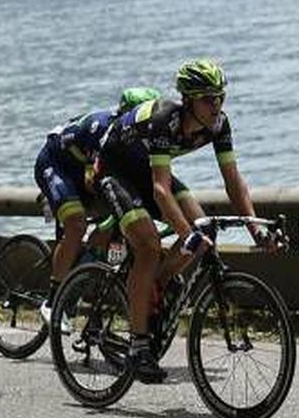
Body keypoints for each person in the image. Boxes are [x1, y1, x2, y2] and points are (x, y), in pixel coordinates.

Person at [93, 59, 269, 383]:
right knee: (148, 245)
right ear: (188, 100)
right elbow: (161, 190)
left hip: (147, 171)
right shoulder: (164, 119)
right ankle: (138, 346)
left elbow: (233, 181)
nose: (216, 105)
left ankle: (153, 285)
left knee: (206, 233)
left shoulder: (219, 125)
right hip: (115, 169)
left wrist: (255, 227)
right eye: (207, 98)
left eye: (220, 97)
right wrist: (184, 234)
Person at [33, 86, 161, 325]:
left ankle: (91, 290)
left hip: (82, 169)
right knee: (76, 224)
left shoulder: (144, 136)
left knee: (117, 227)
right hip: (56, 164)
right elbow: (93, 181)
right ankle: (53, 301)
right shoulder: (103, 130)